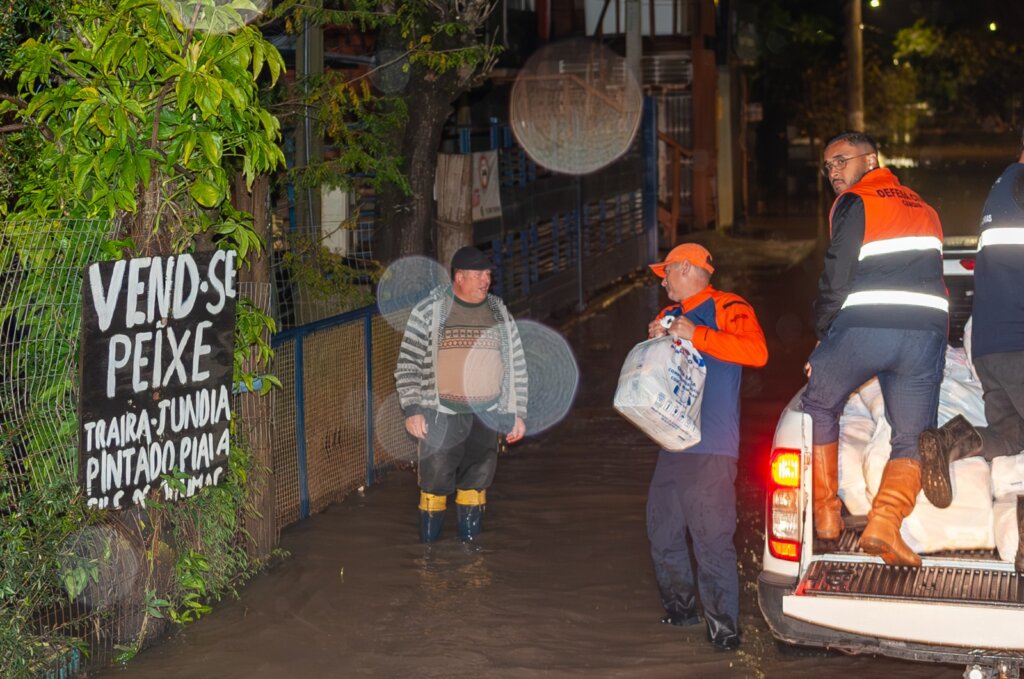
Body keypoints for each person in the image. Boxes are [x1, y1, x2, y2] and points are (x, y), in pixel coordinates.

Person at [802, 131, 948, 567]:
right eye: (827, 167)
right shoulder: (924, 206)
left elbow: (837, 275)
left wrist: (822, 332)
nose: (833, 173)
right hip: (925, 335)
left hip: (866, 327)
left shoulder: (858, 201)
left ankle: (827, 517)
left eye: (840, 161)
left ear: (870, 160)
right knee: (913, 434)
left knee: (820, 402)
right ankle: (885, 525)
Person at [645, 243, 767, 651]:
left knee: (712, 540)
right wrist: (653, 342)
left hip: (712, 446)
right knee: (661, 532)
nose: (662, 280)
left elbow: (757, 352)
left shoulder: (728, 306)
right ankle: (680, 615)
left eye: (667, 272)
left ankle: (724, 633)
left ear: (686, 267)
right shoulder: (666, 316)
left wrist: (696, 334)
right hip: (671, 445)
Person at [917, 129, 1024, 568]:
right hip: (1019, 343)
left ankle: (953, 440)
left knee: (1014, 434)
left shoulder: (1003, 188)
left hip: (990, 347)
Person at [395, 246, 528, 544]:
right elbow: (407, 365)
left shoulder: (498, 312)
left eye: (488, 274)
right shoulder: (430, 311)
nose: (486, 280)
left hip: (488, 414)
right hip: (440, 415)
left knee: (476, 483)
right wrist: (413, 408)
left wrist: (517, 413)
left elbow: (516, 366)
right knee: (434, 483)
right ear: (459, 277)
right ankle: (428, 558)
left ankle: (471, 555)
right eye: (479, 274)